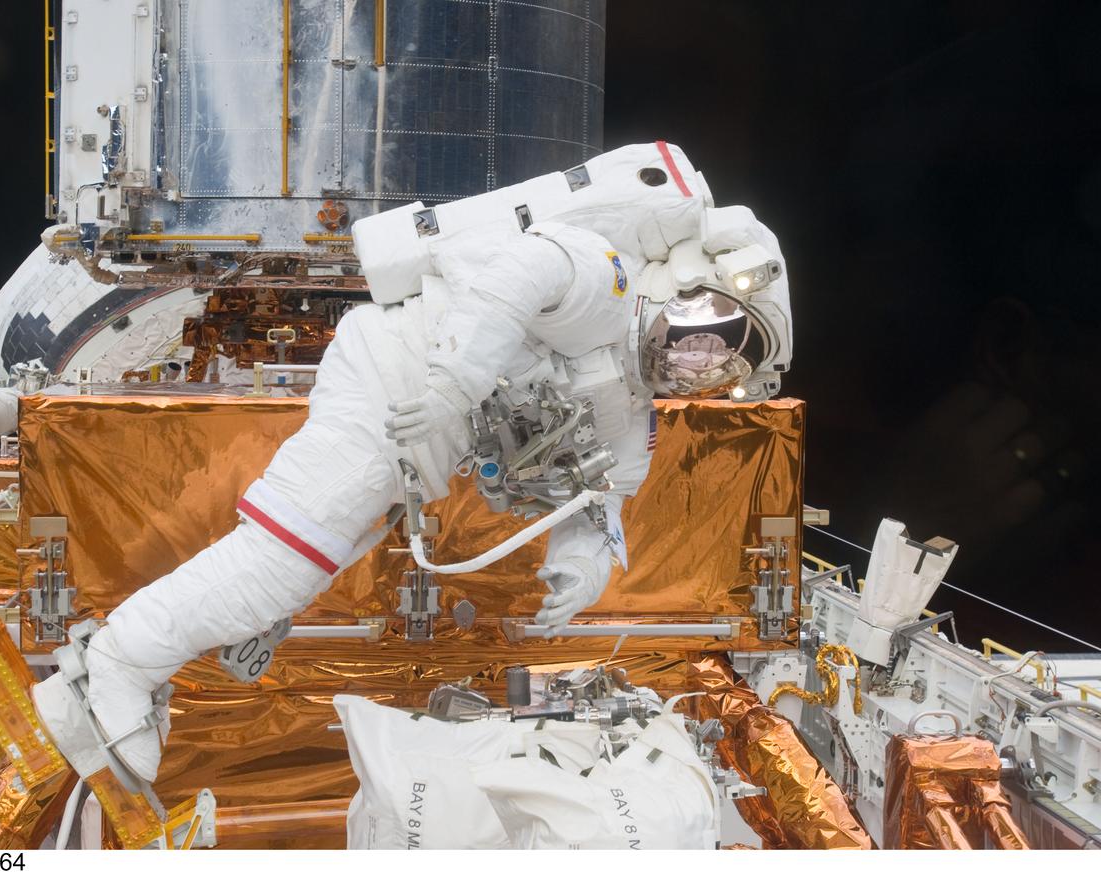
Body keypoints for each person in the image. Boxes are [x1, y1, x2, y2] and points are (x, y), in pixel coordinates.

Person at [64, 143, 792, 784]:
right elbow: (523, 270)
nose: (699, 364)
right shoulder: (608, 283)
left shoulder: (627, 408)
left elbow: (604, 499)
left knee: (320, 551)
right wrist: (455, 383)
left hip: (424, 429)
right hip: (398, 376)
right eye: (707, 332)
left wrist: (582, 569)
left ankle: (181, 642)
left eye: (722, 362)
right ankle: (122, 661)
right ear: (688, 287)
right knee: (287, 552)